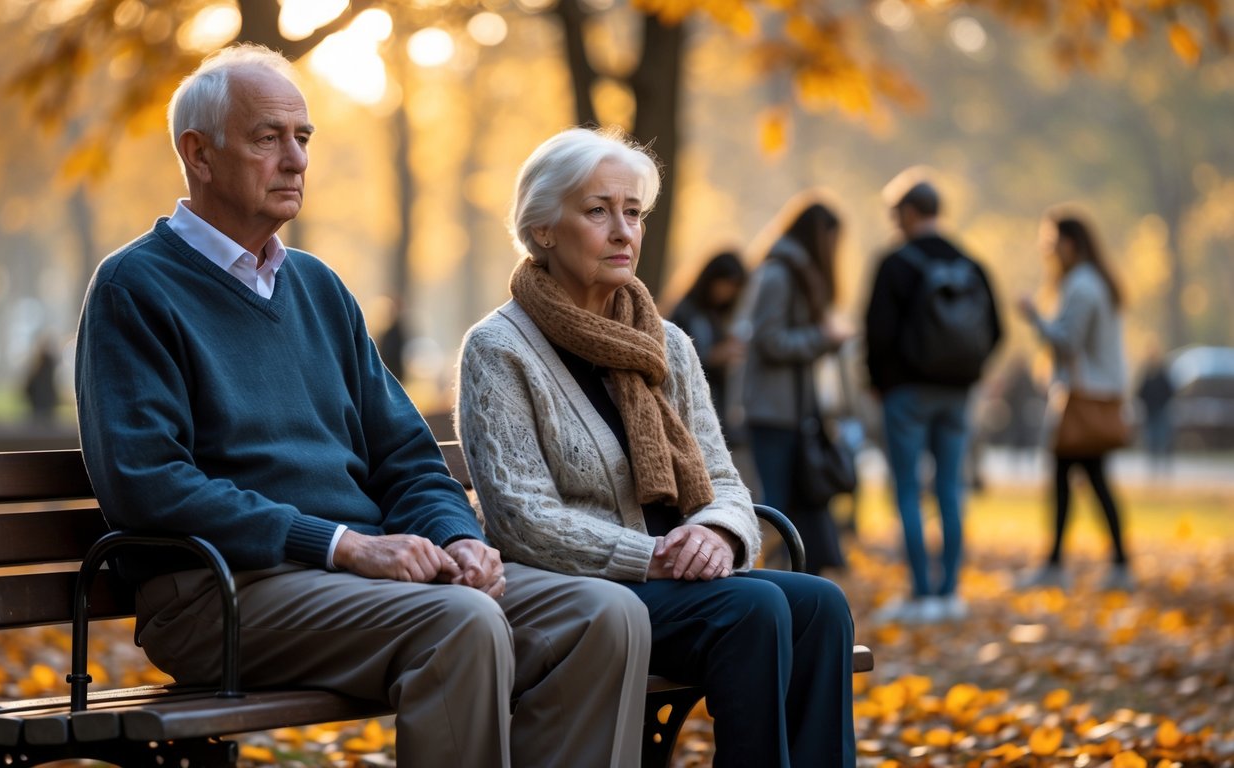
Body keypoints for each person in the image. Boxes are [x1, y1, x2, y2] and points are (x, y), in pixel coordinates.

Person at [74, 46, 651, 768]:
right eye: (268, 138)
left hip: (352, 580)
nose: (296, 160)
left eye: (303, 138)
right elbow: (149, 483)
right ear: (199, 154)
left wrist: (456, 537)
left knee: (603, 615)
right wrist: (341, 544)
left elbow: (405, 457)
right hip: (217, 592)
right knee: (458, 622)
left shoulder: (317, 287)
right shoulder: (136, 288)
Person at [456, 127, 857, 768]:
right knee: (751, 609)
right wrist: (655, 557)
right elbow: (520, 519)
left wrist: (720, 535)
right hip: (586, 592)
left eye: (633, 212)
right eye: (597, 211)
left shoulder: (667, 342)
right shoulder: (499, 349)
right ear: (542, 231)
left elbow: (722, 478)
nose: (623, 231)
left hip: (686, 580)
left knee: (822, 605)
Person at [864, 172, 1002, 624]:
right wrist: (968, 371)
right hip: (958, 394)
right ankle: (950, 592)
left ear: (907, 213)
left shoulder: (896, 264)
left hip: (906, 393)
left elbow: (878, 332)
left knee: (907, 489)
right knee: (950, 488)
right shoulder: (971, 263)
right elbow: (996, 330)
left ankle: (922, 591)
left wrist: (880, 381)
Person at [1016, 208, 1133, 593]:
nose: (1049, 252)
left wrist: (1035, 317)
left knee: (1080, 480)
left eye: (1052, 243)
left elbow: (1068, 342)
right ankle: (1100, 562)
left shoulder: (1082, 285)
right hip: (1095, 396)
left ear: (1071, 243)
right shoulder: (1094, 281)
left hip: (1085, 400)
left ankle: (1100, 564)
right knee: (1083, 480)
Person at [741, 198, 853, 575]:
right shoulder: (779, 274)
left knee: (797, 497)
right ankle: (772, 574)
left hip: (794, 410)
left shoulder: (796, 274)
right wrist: (821, 338)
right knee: (776, 501)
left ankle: (796, 572)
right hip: (772, 410)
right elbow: (769, 341)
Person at [666, 250, 747, 440]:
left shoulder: (716, 315)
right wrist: (715, 355)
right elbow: (673, 360)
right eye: (727, 284)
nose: (729, 291)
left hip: (713, 407)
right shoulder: (686, 311)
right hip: (687, 410)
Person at [1136, 347, 1175, 476]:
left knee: (1163, 440)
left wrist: (1161, 401)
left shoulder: (1162, 373)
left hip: (1161, 411)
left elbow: (1170, 390)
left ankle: (1164, 470)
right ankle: (1154, 470)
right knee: (1151, 440)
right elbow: (1140, 391)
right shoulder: (1147, 373)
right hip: (1150, 412)